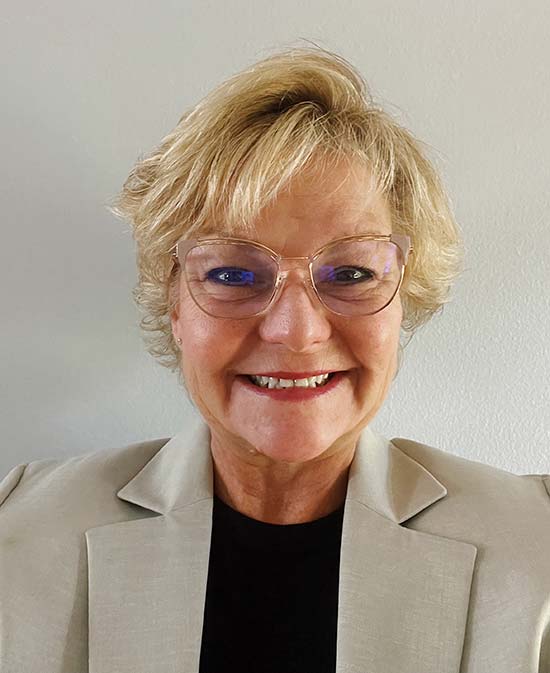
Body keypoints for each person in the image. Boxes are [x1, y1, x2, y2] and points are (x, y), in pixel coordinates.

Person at [0, 46, 549, 673]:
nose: (296, 331)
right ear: (174, 305)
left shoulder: (537, 548)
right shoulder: (20, 531)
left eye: (350, 272)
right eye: (233, 272)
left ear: (406, 302)